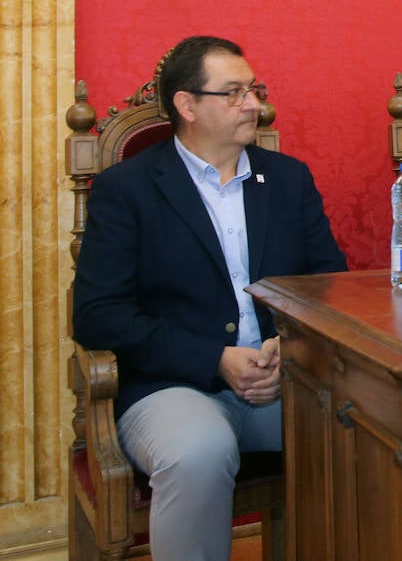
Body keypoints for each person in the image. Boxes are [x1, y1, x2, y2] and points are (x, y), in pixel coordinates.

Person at [72, 36, 348, 561]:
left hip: (283, 377)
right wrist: (214, 359)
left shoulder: (288, 180)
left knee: (373, 427)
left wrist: (283, 349)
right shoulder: (127, 189)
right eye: (235, 92)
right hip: (171, 386)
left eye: (255, 89)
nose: (255, 104)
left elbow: (328, 284)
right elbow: (98, 316)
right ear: (187, 105)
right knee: (198, 452)